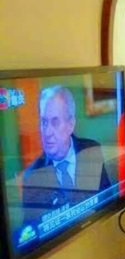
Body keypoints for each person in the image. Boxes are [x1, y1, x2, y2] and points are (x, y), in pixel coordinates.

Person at [21, 86, 110, 226]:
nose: (47, 132)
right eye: (44, 122)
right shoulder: (32, 177)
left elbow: (107, 202)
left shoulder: (91, 151)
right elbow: (31, 232)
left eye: (55, 122)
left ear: (71, 124)